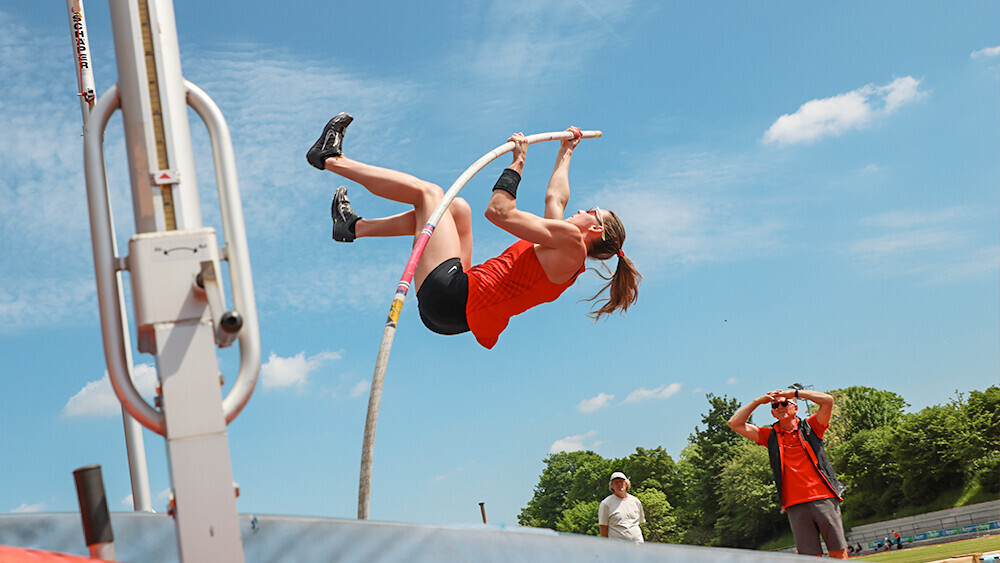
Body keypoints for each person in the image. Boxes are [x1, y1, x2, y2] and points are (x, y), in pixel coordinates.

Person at [305, 113, 640, 349]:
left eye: (590, 211)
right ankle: (353, 228)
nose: (581, 210)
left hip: (455, 298)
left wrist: (517, 163)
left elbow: (498, 211)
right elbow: (556, 197)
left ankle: (331, 159)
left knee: (430, 195)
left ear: (595, 227)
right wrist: (566, 151)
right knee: (456, 210)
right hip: (457, 309)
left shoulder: (569, 244)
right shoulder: (565, 250)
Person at [728, 389, 849, 559]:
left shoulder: (812, 427)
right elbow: (735, 423)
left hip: (824, 497)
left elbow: (827, 400)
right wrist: (757, 401)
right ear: (772, 412)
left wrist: (795, 392)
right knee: (810, 557)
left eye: (785, 403)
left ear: (795, 408)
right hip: (794, 504)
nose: (780, 407)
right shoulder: (769, 436)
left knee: (838, 552)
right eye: (775, 405)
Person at [598, 471, 645, 543]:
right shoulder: (606, 503)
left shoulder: (635, 501)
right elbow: (603, 528)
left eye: (621, 481)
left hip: (638, 545)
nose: (619, 484)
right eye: (616, 482)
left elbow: (639, 523)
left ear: (626, 484)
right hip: (618, 547)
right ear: (612, 486)